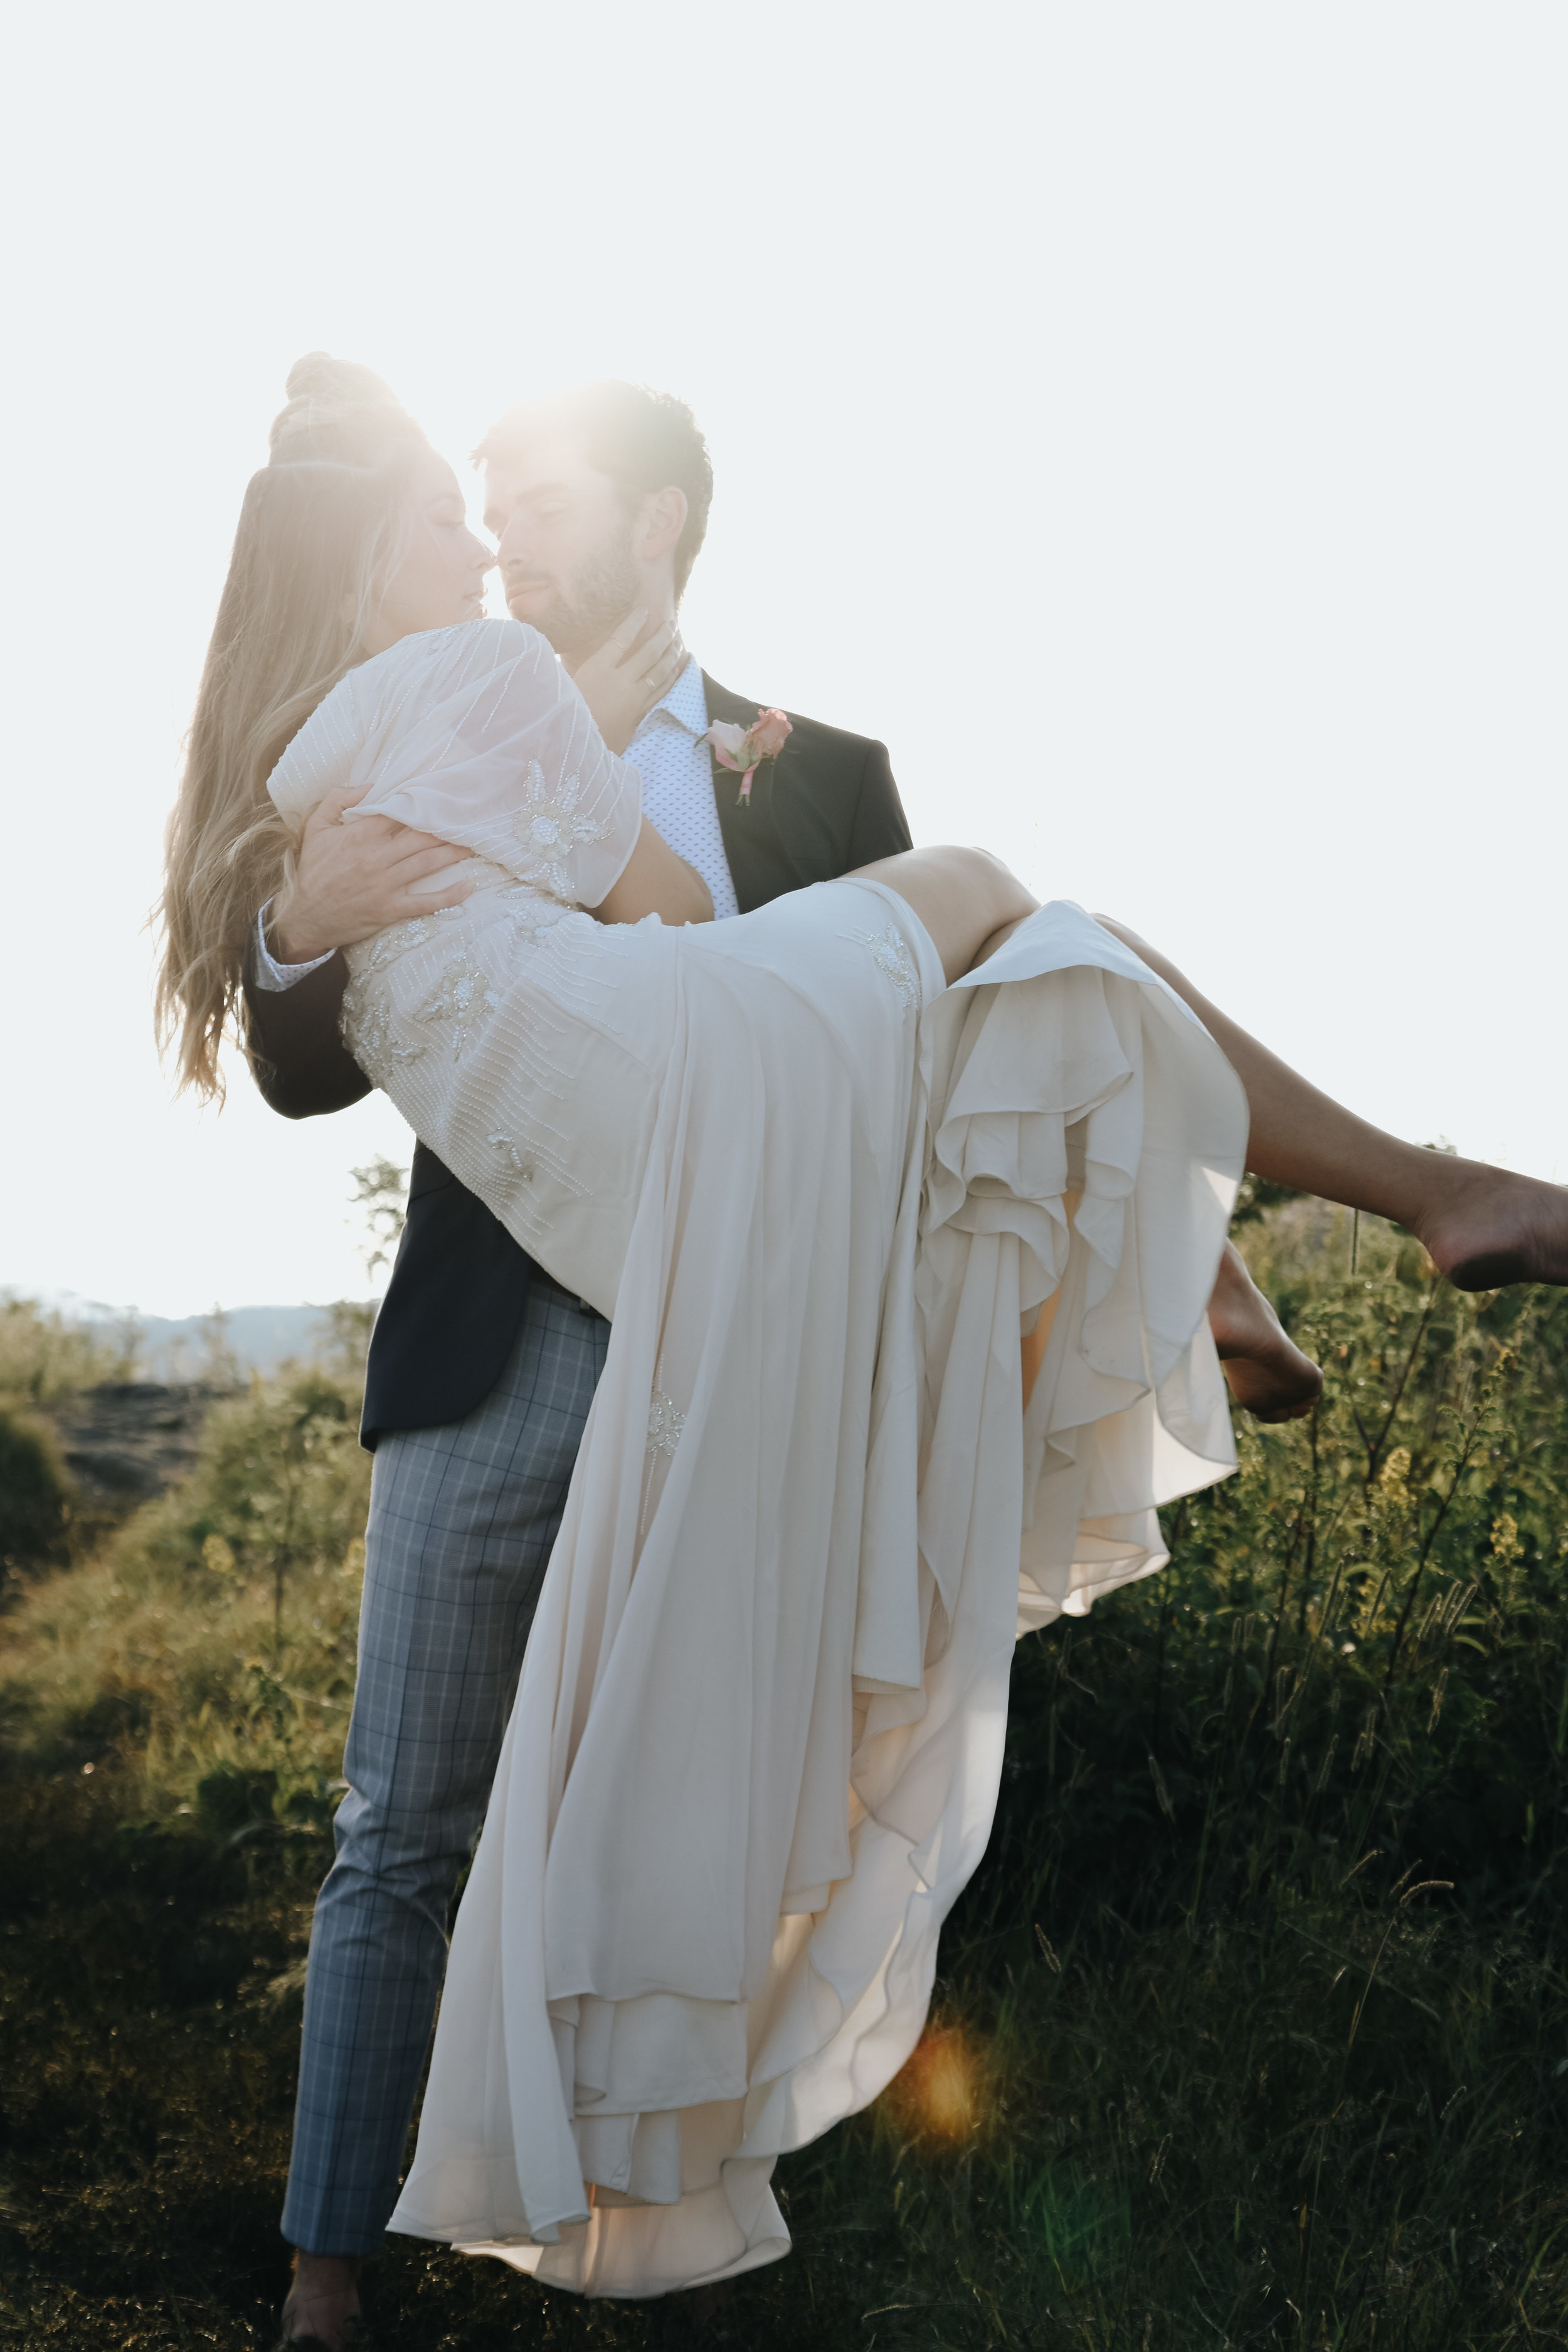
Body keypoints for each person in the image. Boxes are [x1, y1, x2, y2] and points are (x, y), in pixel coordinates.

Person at [158, 361, 1567, 2343]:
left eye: (531, 493)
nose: (497, 539)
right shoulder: (459, 706)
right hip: (526, 1322)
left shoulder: (802, 759)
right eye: (463, 510)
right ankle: (332, 2272)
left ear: (654, 519)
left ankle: (623, 2238)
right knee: (407, 1822)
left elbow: (898, 1069)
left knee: (703, 1757)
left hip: (742, 1292)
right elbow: (315, 1042)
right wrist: (312, 921)